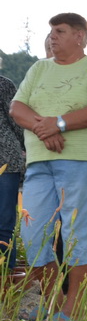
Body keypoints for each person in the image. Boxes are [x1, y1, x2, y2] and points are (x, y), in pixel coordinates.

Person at [10, 13, 87, 321]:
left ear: (79, 36)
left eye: (60, 31)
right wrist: (44, 128)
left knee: (75, 235)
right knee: (32, 235)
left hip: (80, 161)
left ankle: (72, 309)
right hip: (38, 163)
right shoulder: (39, 68)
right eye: (51, 32)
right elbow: (17, 107)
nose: (52, 36)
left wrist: (59, 123)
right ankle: (55, 304)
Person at [0, 75, 25, 268]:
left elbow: (16, 120)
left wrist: (25, 146)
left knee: (4, 223)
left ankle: (6, 276)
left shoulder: (3, 84)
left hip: (5, 159)